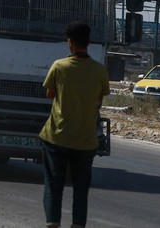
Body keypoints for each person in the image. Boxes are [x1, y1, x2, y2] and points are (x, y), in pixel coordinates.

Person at [39, 22, 110, 228]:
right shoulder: (99, 70)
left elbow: (50, 93)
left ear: (70, 43)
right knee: (81, 190)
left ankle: (53, 223)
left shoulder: (59, 66)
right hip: (85, 140)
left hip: (56, 137)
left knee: (54, 186)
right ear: (88, 42)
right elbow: (99, 98)